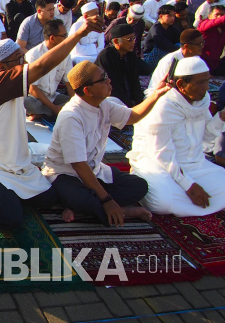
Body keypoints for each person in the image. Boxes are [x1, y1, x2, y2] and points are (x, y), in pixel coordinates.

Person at [0, 15, 105, 230]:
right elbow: (42, 66)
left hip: (13, 163)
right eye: (19, 60)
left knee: (48, 198)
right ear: (0, 66)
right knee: (11, 220)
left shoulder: (5, 81)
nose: (24, 64)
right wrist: (78, 35)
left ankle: (0, 191)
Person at [42, 61, 169, 226]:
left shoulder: (104, 104)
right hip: (66, 174)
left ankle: (84, 207)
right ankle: (120, 210)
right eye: (103, 79)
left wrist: (156, 95)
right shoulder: (71, 117)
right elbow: (79, 165)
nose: (109, 81)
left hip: (94, 170)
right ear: (88, 90)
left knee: (139, 186)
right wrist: (107, 199)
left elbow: (133, 116)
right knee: (83, 200)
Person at [129, 57, 225, 217]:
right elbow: (162, 155)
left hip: (194, 164)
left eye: (208, 81)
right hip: (159, 165)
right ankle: (140, 177)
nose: (207, 88)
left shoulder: (201, 101)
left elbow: (205, 140)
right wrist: (189, 186)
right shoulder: (163, 108)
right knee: (163, 204)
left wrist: (222, 116)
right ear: (181, 85)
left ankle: (184, 197)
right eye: (201, 83)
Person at [24, 19, 74, 119]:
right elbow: (33, 89)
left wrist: (76, 105)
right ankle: (50, 113)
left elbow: (70, 83)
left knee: (74, 104)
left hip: (53, 97)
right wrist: (53, 108)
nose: (66, 39)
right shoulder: (34, 55)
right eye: (64, 36)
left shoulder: (66, 55)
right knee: (27, 104)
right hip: (35, 98)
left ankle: (43, 114)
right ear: (52, 38)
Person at [96, 23, 145, 107]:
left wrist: (139, 104)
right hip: (112, 100)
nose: (134, 42)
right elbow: (112, 85)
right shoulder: (106, 56)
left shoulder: (131, 55)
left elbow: (135, 81)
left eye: (134, 38)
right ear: (116, 41)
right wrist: (129, 106)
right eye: (130, 39)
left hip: (129, 100)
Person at [145, 29, 206, 97]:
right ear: (186, 46)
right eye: (199, 44)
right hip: (162, 96)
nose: (202, 46)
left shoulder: (197, 59)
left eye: (203, 43)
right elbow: (166, 88)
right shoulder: (171, 61)